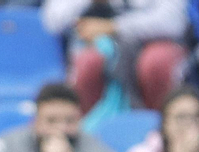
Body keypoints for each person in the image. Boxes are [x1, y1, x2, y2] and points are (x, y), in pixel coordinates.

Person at [41, 0, 188, 113]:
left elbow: (173, 22)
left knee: (156, 63)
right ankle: (83, 134)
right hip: (96, 42)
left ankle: (159, 130)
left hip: (153, 41)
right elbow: (53, 21)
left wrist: (114, 26)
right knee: (89, 63)